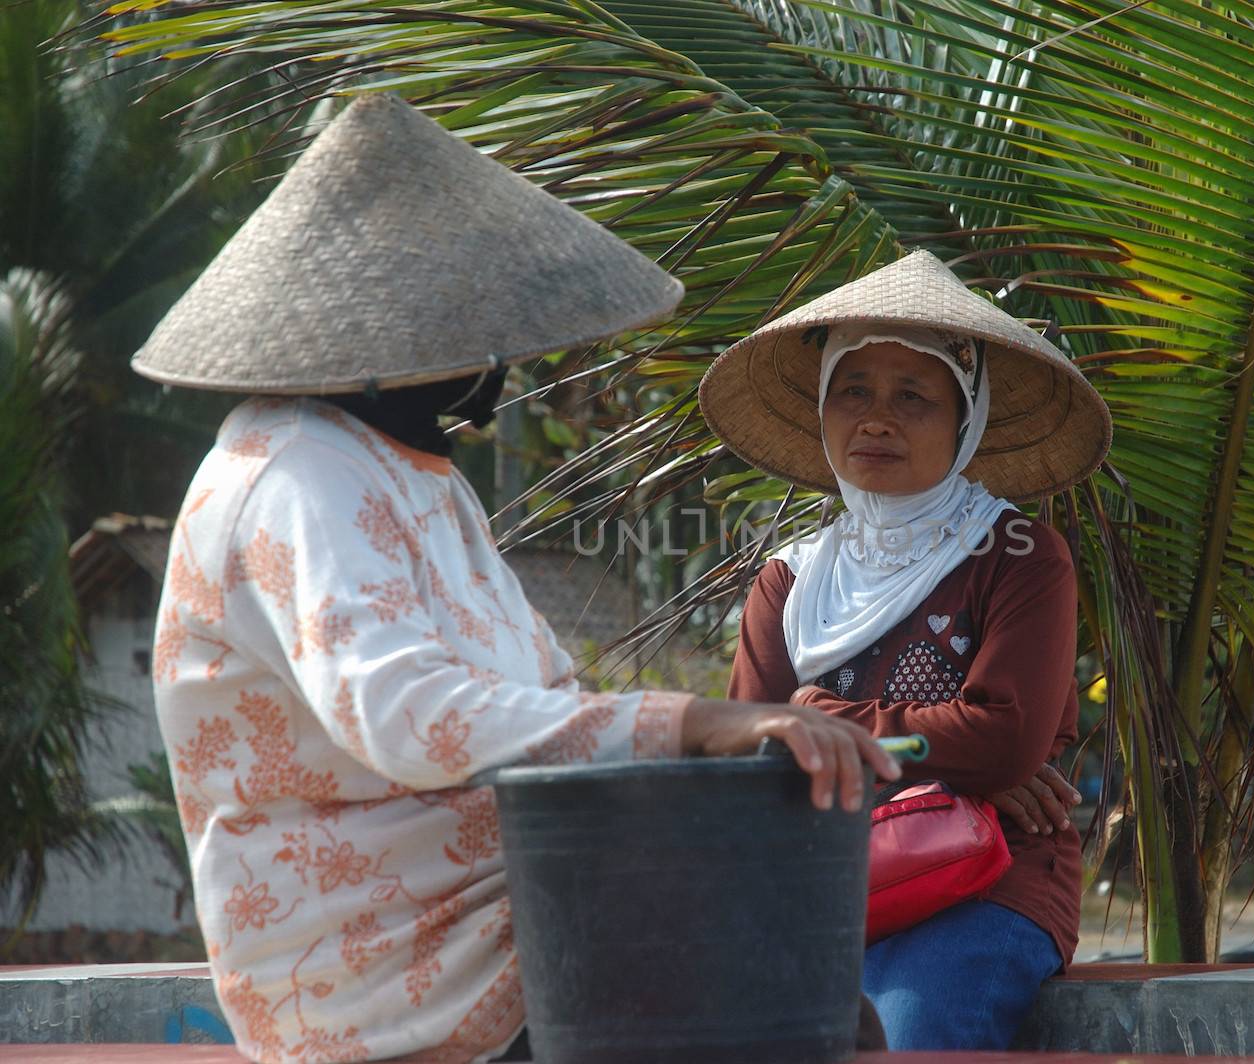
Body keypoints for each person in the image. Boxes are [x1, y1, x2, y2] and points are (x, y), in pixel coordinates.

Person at [135, 94, 896, 1064]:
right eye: (480, 325)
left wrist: (714, 751)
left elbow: (539, 695)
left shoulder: (412, 471)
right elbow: (410, 715)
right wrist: (695, 721)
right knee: (771, 1007)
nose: (504, 355)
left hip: (515, 900)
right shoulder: (292, 473)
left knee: (817, 992)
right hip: (383, 967)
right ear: (404, 332)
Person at [700, 250, 1112, 1051]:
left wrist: (814, 715)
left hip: (990, 884)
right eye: (853, 390)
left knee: (909, 1032)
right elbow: (739, 770)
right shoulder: (789, 582)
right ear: (822, 409)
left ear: (967, 421)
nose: (876, 418)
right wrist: (953, 753)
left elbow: (1003, 740)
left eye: (913, 396)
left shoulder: (1022, 556)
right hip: (825, 888)